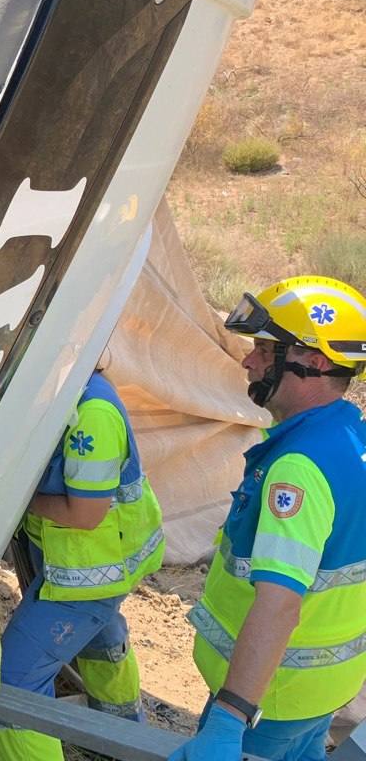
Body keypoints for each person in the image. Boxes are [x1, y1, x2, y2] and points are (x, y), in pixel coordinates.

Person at [171, 275, 366, 761]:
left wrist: (229, 718)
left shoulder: (298, 470)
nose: (248, 360)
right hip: (317, 692)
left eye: (264, 349)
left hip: (266, 703)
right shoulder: (350, 440)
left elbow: (279, 605)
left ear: (314, 362)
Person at [0, 364, 165, 761]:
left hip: (89, 574)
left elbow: (86, 513)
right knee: (97, 637)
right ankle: (122, 736)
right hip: (89, 564)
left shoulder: (93, 414)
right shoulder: (70, 390)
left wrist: (15, 496)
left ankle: (120, 738)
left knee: (14, 683)